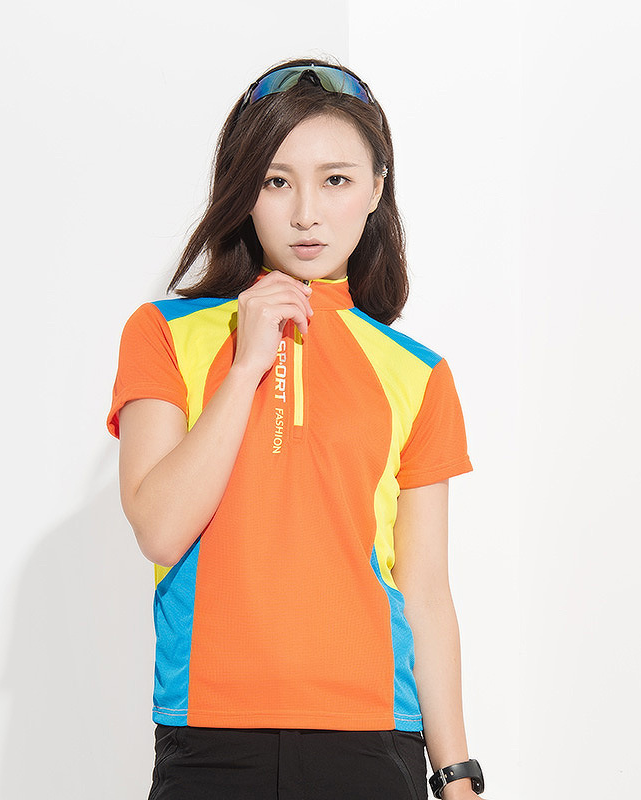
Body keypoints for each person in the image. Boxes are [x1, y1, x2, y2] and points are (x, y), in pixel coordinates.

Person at [106, 57, 487, 800]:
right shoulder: (163, 333)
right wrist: (248, 363)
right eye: (276, 181)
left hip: (374, 741)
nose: (306, 213)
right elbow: (159, 528)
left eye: (336, 179)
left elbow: (426, 592)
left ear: (376, 189)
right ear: (242, 191)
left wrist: (457, 776)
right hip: (209, 736)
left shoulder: (418, 373)